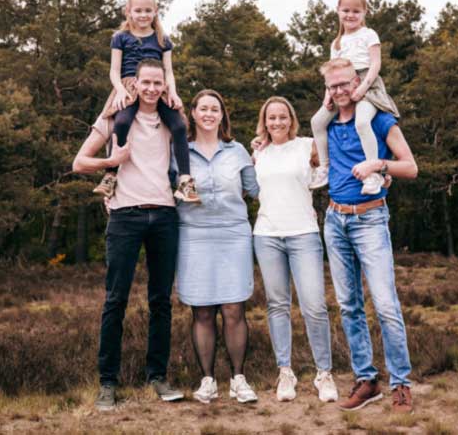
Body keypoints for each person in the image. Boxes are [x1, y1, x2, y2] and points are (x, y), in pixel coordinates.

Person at [72, 58, 184, 410]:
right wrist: (111, 161)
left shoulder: (171, 121)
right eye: (145, 83)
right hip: (125, 216)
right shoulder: (114, 117)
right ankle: (107, 383)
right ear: (134, 84)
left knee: (160, 302)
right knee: (115, 300)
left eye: (158, 83)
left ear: (165, 85)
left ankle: (158, 377)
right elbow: (79, 162)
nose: (152, 89)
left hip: (165, 215)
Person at [320, 57, 416, 413]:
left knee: (386, 305)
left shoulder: (378, 119)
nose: (341, 91)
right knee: (349, 306)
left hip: (370, 219)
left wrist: (380, 165)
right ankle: (367, 379)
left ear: (358, 81)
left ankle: (401, 384)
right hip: (334, 220)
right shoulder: (327, 124)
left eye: (346, 83)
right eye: (333, 86)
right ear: (327, 90)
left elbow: (411, 166)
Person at [250, 96, 338, 403]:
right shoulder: (258, 152)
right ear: (265, 121)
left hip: (304, 234)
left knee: (314, 305)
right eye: (271, 118)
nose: (277, 122)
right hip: (267, 235)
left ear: (291, 119)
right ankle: (284, 372)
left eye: (282, 117)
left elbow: (327, 170)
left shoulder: (307, 145)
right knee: (277, 305)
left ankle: (323, 374)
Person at [175, 89, 260, 404]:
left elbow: (254, 188)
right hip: (194, 236)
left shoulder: (237, 151)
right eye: (203, 109)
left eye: (215, 109)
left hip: (233, 234)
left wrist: (266, 156)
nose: (209, 114)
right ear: (193, 114)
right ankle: (207, 380)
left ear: (222, 115)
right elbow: (162, 186)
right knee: (203, 310)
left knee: (234, 307)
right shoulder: (179, 151)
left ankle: (239, 378)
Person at [93, 0, 199, 204]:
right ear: (128, 11)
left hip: (156, 88)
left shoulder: (163, 40)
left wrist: (174, 93)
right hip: (130, 86)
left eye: (147, 11)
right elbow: (114, 70)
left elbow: (168, 71)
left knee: (179, 126)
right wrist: (121, 91)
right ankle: (111, 174)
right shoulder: (120, 38)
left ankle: (185, 180)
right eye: (138, 11)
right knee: (121, 123)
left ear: (155, 11)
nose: (143, 15)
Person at [310, 0, 401, 195]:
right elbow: (332, 72)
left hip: (367, 84)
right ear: (338, 11)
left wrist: (362, 88)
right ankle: (324, 167)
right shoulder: (336, 43)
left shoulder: (369, 34)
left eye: (356, 11)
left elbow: (376, 64)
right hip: (340, 85)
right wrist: (327, 96)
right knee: (317, 122)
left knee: (361, 122)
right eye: (346, 10)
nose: (350, 15)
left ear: (364, 13)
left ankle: (373, 173)